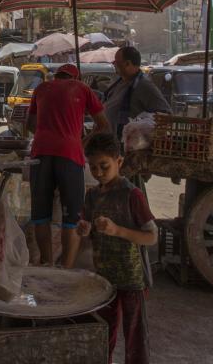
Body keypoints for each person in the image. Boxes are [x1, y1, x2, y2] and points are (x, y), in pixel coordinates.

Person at [78, 133, 157, 364]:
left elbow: (152, 236)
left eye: (104, 166)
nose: (99, 173)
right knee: (104, 331)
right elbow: (87, 228)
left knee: (135, 337)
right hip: (105, 278)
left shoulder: (132, 194)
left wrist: (118, 231)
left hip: (132, 279)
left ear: (119, 162)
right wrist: (84, 229)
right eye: (93, 168)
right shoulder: (92, 195)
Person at [26, 63, 109, 268]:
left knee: (40, 215)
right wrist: (82, 140)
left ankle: (46, 263)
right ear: (76, 77)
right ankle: (67, 268)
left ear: (56, 76)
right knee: (71, 217)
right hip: (69, 154)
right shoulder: (82, 88)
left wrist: (48, 129)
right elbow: (103, 125)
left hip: (40, 152)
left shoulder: (41, 88)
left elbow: (29, 124)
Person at [103, 46, 170, 143]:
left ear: (127, 64)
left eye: (116, 62)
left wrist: (141, 127)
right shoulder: (120, 82)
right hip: (111, 143)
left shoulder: (143, 85)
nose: (114, 65)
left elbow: (165, 114)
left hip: (128, 146)